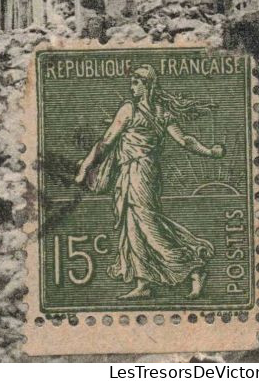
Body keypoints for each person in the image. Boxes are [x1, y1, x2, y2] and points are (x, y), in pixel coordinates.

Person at [76, 65, 224, 298]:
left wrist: (86, 165)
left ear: (148, 85)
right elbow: (184, 140)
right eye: (132, 82)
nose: (131, 86)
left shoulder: (134, 110)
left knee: (147, 223)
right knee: (133, 224)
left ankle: (194, 266)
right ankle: (143, 282)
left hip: (142, 172)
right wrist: (210, 152)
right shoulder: (156, 111)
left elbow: (106, 142)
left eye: (136, 82)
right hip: (134, 172)